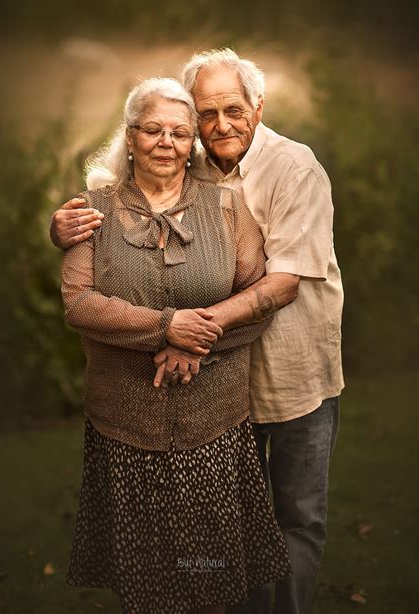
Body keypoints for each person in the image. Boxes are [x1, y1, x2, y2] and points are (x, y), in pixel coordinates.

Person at [52, 50, 344, 614]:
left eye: (233, 110)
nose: (218, 126)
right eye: (205, 115)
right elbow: (94, 278)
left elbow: (279, 286)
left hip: (291, 372)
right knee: (232, 530)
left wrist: (190, 335)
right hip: (214, 390)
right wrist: (59, 227)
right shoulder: (196, 164)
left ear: (258, 106)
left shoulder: (294, 168)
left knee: (294, 516)